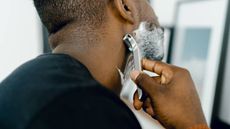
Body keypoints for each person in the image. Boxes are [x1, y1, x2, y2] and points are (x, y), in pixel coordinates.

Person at [0, 0, 209, 129]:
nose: (154, 13)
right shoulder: (91, 112)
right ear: (126, 6)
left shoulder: (30, 81)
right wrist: (193, 124)